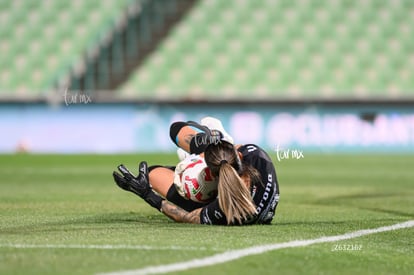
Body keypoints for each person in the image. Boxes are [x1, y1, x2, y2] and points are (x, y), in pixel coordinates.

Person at [113, 117, 280, 225]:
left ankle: (197, 157)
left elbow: (186, 217)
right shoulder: (257, 158)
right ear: (240, 157)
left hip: (216, 191)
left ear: (212, 174)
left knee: (152, 174)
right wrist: (150, 196)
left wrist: (146, 194)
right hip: (223, 186)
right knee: (179, 138)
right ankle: (208, 148)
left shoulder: (223, 208)